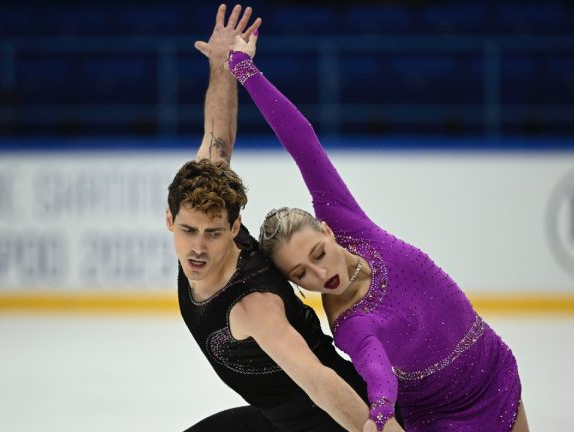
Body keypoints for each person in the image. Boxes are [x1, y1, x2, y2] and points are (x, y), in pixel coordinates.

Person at [226, 32, 530, 432]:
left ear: (327, 230)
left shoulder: (349, 220)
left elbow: (302, 142)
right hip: (439, 413)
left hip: (490, 367)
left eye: (317, 253)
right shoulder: (351, 323)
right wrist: (380, 412)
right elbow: (377, 372)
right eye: (301, 274)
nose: (319, 275)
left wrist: (246, 72)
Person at [168, 5, 404, 432]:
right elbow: (217, 133)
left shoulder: (253, 305)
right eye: (187, 230)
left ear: (235, 230)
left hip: (337, 418)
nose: (198, 246)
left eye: (213, 233)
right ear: (169, 219)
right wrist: (223, 66)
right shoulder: (202, 196)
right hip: (275, 420)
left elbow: (318, 381)